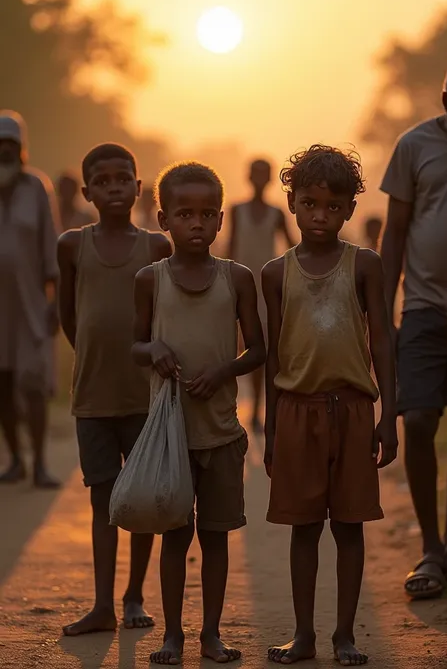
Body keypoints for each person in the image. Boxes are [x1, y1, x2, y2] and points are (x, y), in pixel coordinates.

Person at [263, 145, 397, 666]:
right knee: (303, 528)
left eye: (333, 206)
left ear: (349, 210)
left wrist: (389, 415)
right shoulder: (276, 273)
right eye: (310, 203)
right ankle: (304, 636)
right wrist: (273, 429)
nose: (321, 215)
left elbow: (382, 339)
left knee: (349, 526)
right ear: (292, 203)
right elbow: (276, 354)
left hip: (354, 410)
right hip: (297, 410)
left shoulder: (364, 265)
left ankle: (344, 635)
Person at [132, 161, 266, 664]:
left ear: (220, 220)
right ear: (163, 219)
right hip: (169, 435)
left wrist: (223, 371)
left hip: (221, 432)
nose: (196, 223)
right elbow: (134, 344)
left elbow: (257, 350)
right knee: (174, 537)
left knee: (214, 538)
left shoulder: (237, 277)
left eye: (207, 214)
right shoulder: (150, 278)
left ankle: (211, 634)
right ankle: (173, 635)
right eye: (184, 214)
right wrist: (155, 350)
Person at [57, 143, 172, 636]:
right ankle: (103, 603)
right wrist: (91, 353)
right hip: (94, 394)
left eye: (123, 178)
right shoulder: (71, 245)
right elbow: (69, 315)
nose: (114, 188)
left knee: (142, 499)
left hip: (144, 396)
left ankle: (133, 597)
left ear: (139, 187)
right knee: (102, 499)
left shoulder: (156, 248)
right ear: (87, 192)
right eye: (102, 181)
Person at [381, 56, 447, 599]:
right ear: (446, 103)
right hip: (421, 307)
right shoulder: (414, 145)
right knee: (416, 420)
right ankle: (429, 546)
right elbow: (395, 232)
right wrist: (381, 305)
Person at [0, 110, 60, 488]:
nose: (5, 152)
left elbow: (49, 246)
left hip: (30, 303)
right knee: (2, 385)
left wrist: (54, 302)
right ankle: (15, 460)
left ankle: (39, 462)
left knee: (34, 386)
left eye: (11, 146)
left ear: (21, 149)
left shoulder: (35, 187)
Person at [228, 159, 293, 432]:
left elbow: (291, 248)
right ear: (248, 176)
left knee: (263, 351)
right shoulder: (236, 210)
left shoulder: (276, 213)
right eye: (255, 173)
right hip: (240, 286)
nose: (259, 179)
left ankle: (256, 409)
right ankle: (230, 409)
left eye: (264, 175)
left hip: (266, 291)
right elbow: (231, 247)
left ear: (269, 179)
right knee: (232, 349)